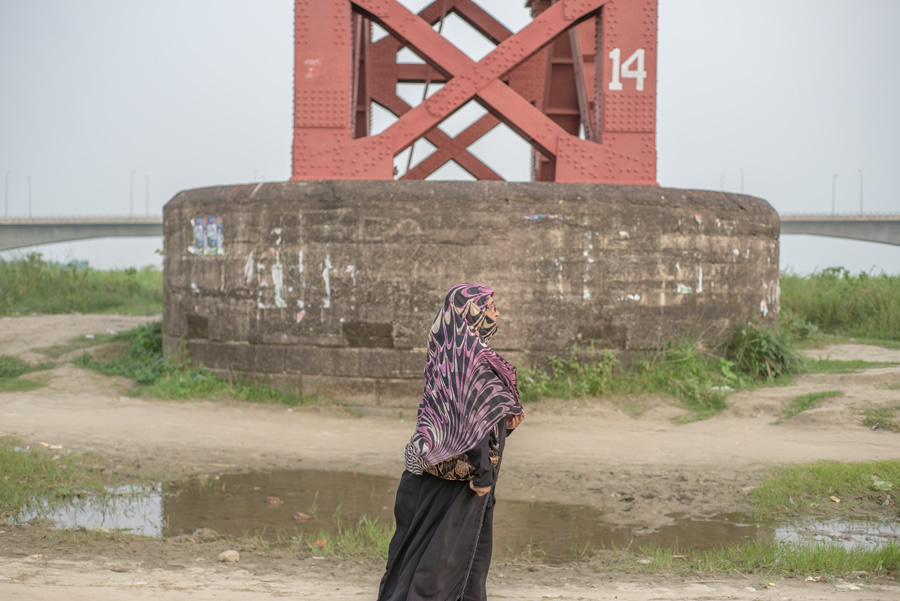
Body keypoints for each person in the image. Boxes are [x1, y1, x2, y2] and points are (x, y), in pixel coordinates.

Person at [377, 283, 525, 601]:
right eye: (489, 307)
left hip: (429, 469)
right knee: (446, 565)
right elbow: (468, 421)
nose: (496, 313)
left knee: (415, 555)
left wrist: (504, 424)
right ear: (470, 313)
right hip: (462, 477)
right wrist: (483, 474)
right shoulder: (473, 358)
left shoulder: (445, 350)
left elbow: (457, 415)